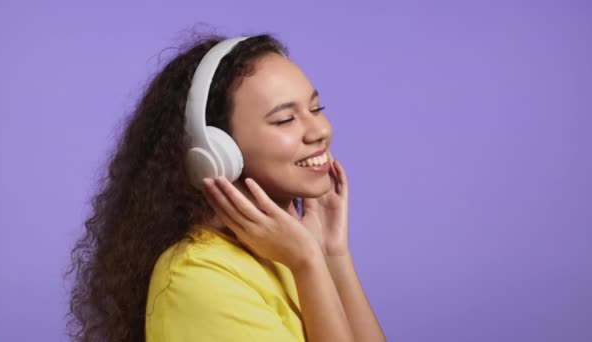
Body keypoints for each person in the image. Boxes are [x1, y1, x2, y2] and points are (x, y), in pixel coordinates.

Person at [67, 33, 385, 341]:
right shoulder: (198, 277)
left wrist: (333, 253)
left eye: (316, 109)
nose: (320, 131)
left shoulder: (286, 249)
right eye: (285, 119)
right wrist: (309, 263)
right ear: (217, 150)